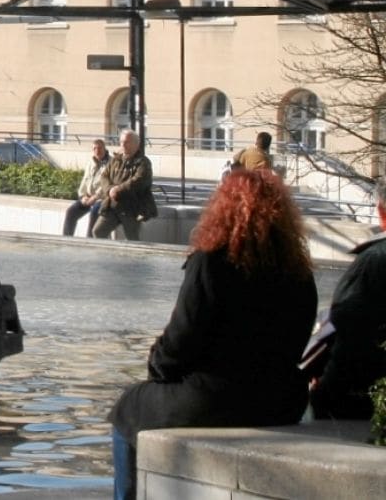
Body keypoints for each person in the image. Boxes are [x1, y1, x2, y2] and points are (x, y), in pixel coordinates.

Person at [109, 169, 317, 500]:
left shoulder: (212, 262)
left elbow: (180, 340)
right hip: (280, 401)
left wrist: (158, 369)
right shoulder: (299, 272)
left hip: (215, 398)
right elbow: (296, 343)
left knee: (127, 408)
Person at [309, 181, 386, 420]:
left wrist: (323, 394)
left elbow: (349, 338)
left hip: (364, 401)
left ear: (381, 212)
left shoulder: (373, 262)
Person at [92, 128, 155, 240]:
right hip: (111, 206)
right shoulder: (116, 160)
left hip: (132, 207)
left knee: (132, 239)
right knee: (98, 231)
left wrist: (118, 190)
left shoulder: (143, 162)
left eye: (126, 142)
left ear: (136, 144)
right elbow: (104, 177)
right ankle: (106, 256)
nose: (123, 145)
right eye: (121, 142)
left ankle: (134, 258)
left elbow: (138, 181)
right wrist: (110, 190)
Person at [64, 139, 109, 237]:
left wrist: (95, 197)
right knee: (71, 212)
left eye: (100, 148)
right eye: (95, 149)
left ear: (105, 149)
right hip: (88, 198)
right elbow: (84, 182)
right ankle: (66, 240)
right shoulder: (91, 163)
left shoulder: (111, 163)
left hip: (102, 199)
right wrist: (83, 196)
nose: (97, 151)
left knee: (94, 212)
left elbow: (107, 185)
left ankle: (89, 241)